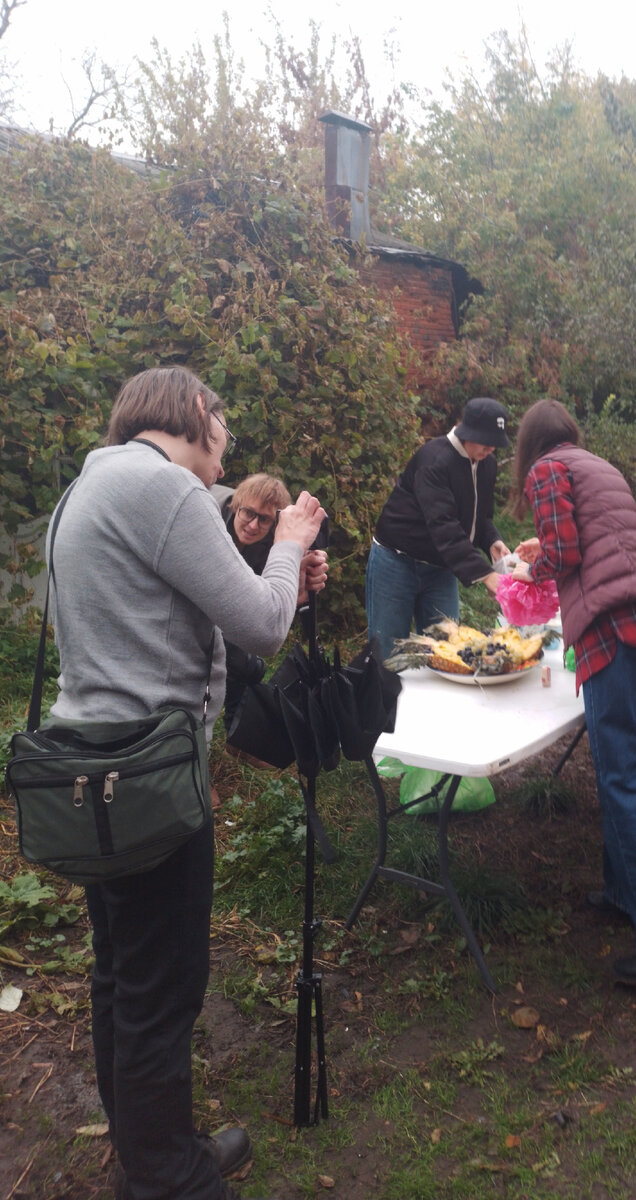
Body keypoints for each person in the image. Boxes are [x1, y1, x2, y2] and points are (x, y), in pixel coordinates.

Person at [47, 366, 326, 1199]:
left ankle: (151, 1145)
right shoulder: (164, 490)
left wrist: (281, 567)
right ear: (195, 415)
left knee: (123, 973)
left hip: (93, 769)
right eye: (223, 432)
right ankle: (170, 1178)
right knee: (162, 986)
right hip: (152, 778)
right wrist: (288, 547)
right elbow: (262, 627)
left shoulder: (90, 487)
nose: (226, 455)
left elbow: (214, 600)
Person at [509, 398, 636, 987]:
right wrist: (552, 551)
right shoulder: (601, 466)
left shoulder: (544, 470)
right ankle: (625, 893)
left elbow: (567, 555)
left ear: (529, 445)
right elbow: (599, 540)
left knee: (622, 778)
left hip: (613, 626)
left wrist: (528, 571)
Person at [366, 396, 512, 661]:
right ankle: (382, 702)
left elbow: (480, 516)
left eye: (496, 443)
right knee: (387, 653)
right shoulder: (434, 460)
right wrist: (486, 575)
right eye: (486, 441)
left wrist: (491, 540)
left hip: (441, 567)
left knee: (446, 651)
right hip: (396, 562)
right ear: (468, 432)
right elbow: (444, 526)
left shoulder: (487, 464)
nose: (491, 448)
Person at [213, 474, 328, 726]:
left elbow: (265, 607)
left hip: (237, 606)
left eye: (264, 519)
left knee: (242, 656)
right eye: (248, 513)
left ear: (276, 522)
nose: (253, 526)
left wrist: (298, 583)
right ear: (236, 505)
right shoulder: (210, 519)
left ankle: (236, 730)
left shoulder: (274, 543)